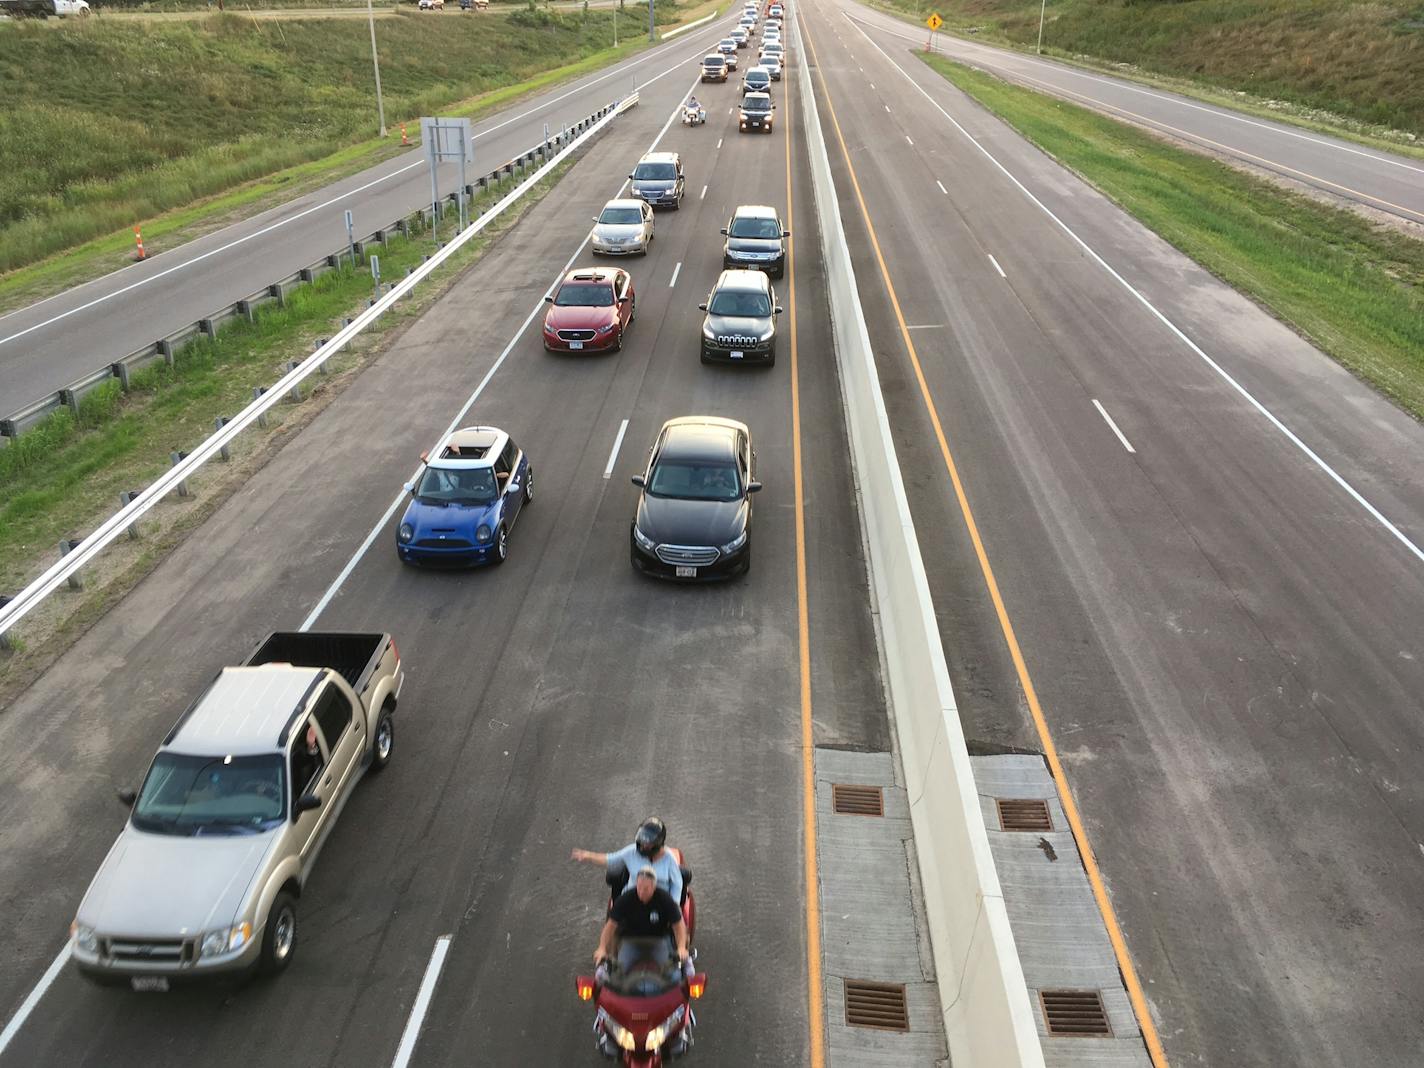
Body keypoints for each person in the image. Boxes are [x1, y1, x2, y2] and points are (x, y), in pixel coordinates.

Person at [594, 866, 692, 978]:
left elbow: (678, 926)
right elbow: (610, 926)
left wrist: (681, 947)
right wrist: (602, 947)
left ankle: (686, 964)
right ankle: (606, 968)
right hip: (631, 941)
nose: (641, 892)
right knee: (618, 974)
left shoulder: (665, 899)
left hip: (658, 941)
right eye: (639, 887)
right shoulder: (626, 899)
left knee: (671, 974)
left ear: (654, 887)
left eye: (645, 889)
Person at [572, 817, 683, 903]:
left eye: (648, 843)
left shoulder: (669, 859)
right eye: (642, 839)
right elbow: (609, 860)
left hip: (660, 901)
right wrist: (588, 856)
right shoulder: (631, 852)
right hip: (632, 898)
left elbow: (677, 885)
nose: (643, 845)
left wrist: (673, 907)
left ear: (658, 842)